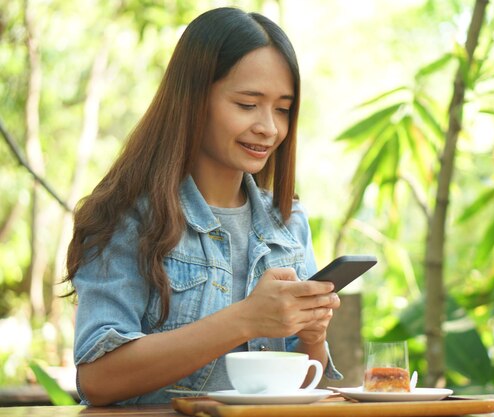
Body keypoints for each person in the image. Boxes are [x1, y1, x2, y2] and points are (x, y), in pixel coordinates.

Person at [64, 7, 342, 406]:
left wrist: (314, 338)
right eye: (248, 104)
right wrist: (246, 318)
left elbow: (303, 393)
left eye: (282, 108)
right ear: (193, 100)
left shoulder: (289, 223)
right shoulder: (129, 217)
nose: (269, 127)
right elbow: (98, 378)